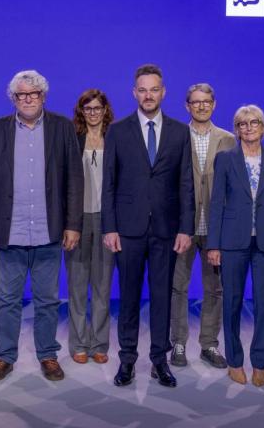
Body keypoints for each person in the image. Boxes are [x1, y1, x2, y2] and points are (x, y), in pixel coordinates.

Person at [0, 70, 83, 382]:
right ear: (13, 98)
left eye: (33, 94)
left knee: (47, 300)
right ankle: (5, 356)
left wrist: (73, 224)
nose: (27, 99)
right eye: (21, 95)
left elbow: (74, 181)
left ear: (43, 97)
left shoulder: (62, 128)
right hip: (9, 232)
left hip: (49, 232)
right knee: (7, 300)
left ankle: (47, 355)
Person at [103, 63, 195, 389]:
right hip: (127, 230)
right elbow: (109, 184)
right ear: (134, 93)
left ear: (163, 92)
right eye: (142, 90)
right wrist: (109, 228)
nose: (148, 95)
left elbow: (186, 184)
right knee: (128, 298)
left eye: (154, 89)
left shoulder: (180, 132)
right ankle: (127, 360)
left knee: (161, 297)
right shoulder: (117, 130)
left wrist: (186, 228)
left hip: (167, 231)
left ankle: (159, 360)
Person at [206, 105, 264, 387]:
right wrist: (213, 245)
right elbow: (216, 204)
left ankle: (259, 362)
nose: (249, 128)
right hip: (232, 242)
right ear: (237, 129)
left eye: (254, 123)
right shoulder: (226, 160)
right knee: (231, 303)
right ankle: (234, 360)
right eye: (243, 124)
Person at [171, 83, 234, 369]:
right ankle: (179, 344)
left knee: (215, 289)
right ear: (187, 106)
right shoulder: (175, 136)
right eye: (195, 102)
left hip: (216, 227)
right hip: (182, 226)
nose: (201, 106)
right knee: (178, 287)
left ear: (214, 104)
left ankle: (209, 344)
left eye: (206, 101)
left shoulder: (229, 139)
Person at [67, 89, 116, 365]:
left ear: (105, 110)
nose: (93, 113)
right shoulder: (73, 140)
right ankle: (78, 344)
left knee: (102, 284)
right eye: (88, 109)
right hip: (77, 220)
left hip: (106, 220)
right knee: (76, 285)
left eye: (98, 108)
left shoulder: (115, 139)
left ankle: (99, 343)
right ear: (81, 112)